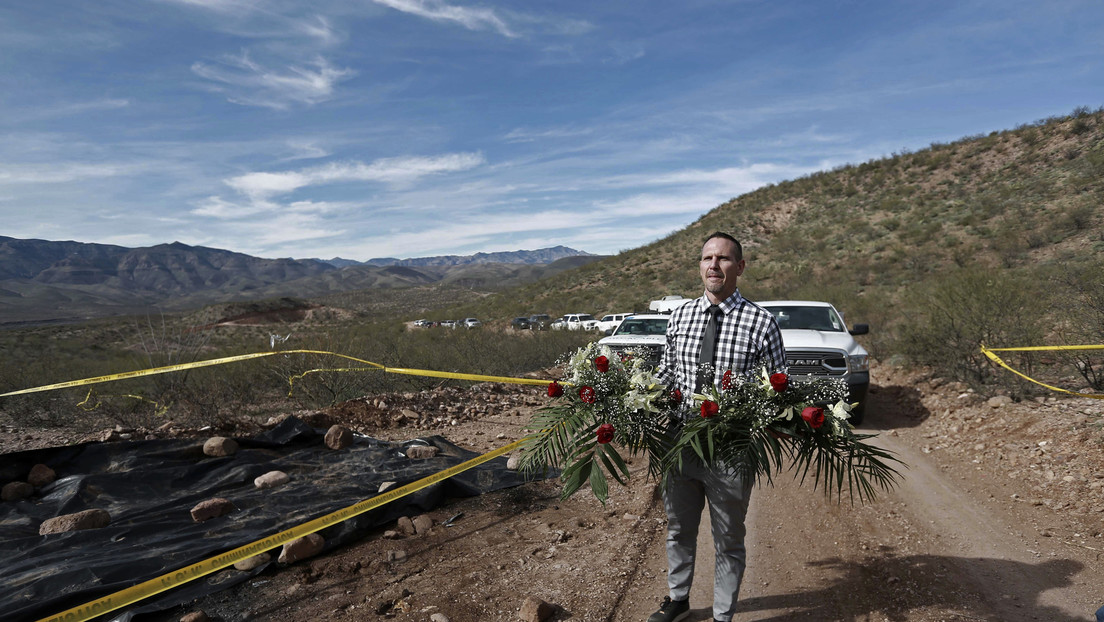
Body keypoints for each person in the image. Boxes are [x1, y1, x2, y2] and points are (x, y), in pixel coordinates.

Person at [649, 231, 786, 622]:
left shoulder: (761, 323)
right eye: (708, 258)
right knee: (678, 529)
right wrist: (635, 396)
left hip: (730, 450)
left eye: (724, 259)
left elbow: (776, 386)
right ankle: (678, 599)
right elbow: (668, 374)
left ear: (739, 267)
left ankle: (723, 615)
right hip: (681, 443)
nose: (714, 265)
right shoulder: (680, 317)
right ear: (700, 266)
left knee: (728, 538)